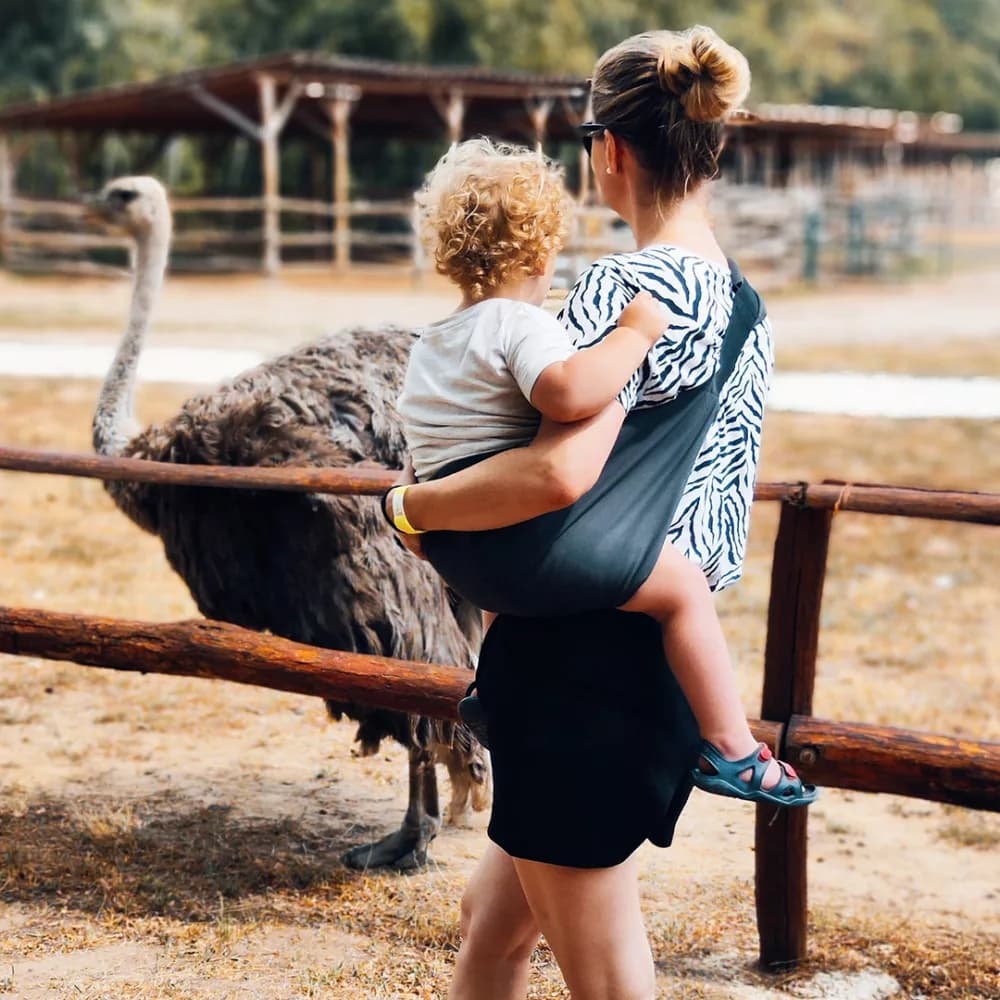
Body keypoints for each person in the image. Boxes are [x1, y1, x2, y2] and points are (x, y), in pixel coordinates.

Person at [383, 26, 814, 1000]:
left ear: (609, 149)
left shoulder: (624, 290)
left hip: (581, 658)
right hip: (653, 650)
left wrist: (410, 506)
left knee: (605, 973)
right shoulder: (746, 307)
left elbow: (552, 476)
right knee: (490, 928)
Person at [392, 135, 816, 811]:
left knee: (508, 597)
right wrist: (634, 336)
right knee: (681, 588)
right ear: (540, 254)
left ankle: (491, 692)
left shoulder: (430, 342)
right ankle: (730, 746)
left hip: (456, 550)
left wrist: (413, 504)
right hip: (519, 537)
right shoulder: (520, 324)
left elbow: (420, 436)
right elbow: (568, 393)